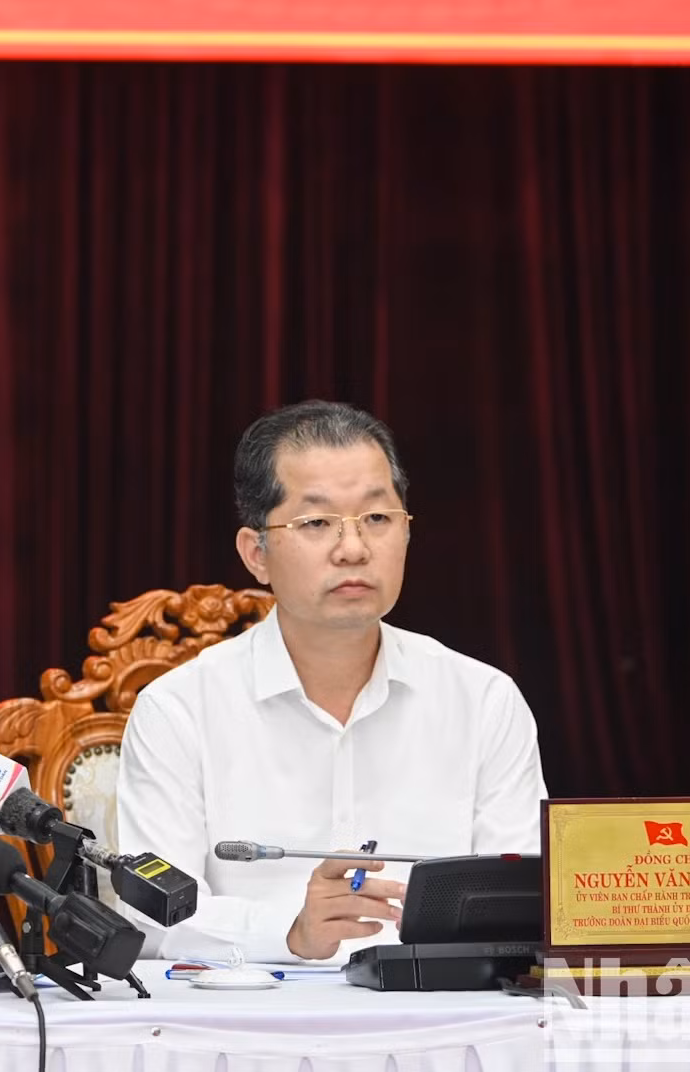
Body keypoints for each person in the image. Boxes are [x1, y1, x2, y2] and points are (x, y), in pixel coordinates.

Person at [115, 400, 546, 961]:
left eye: (377, 518)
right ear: (256, 554)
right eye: (316, 523)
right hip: (248, 1022)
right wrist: (291, 933)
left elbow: (525, 900)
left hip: (435, 1018)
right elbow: (150, 914)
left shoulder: (484, 700)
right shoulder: (179, 710)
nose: (354, 548)